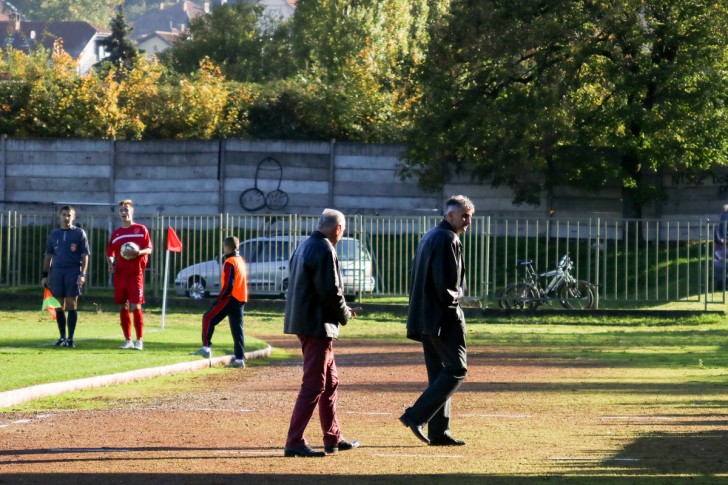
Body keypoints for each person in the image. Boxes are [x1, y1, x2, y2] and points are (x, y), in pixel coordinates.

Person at [283, 209, 361, 458]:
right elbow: (331, 291)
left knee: (330, 382)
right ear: (338, 228)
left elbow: (315, 289)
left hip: (307, 322)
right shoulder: (325, 248)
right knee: (315, 384)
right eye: (343, 230)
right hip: (316, 326)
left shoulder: (304, 245)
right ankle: (294, 441)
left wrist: (342, 309)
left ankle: (333, 437)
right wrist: (345, 314)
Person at [400, 195, 475, 446]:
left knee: (439, 375)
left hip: (425, 317)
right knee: (457, 370)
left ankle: (438, 432)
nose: (468, 221)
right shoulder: (447, 238)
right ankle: (416, 415)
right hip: (443, 317)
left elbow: (415, 276)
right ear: (450, 215)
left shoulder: (429, 236)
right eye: (464, 215)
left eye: (470, 216)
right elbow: (447, 286)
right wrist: (455, 311)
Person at [191, 236, 248, 367]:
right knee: (237, 329)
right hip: (241, 298)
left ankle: (206, 348)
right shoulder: (240, 260)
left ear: (227, 247)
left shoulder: (230, 262)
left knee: (208, 318)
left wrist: (218, 299)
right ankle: (239, 360)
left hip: (231, 298)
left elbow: (229, 285)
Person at [41, 205, 90, 348]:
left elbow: (85, 255)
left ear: (73, 217)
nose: (66, 218)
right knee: (58, 306)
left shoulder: (79, 233)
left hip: (73, 271)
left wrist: (83, 274)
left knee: (71, 304)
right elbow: (48, 256)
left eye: (69, 215)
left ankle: (71, 339)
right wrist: (44, 275)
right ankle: (62, 337)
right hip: (57, 272)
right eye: (64, 215)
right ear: (60, 216)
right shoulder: (54, 234)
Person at [106, 199, 153, 350]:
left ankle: (139, 340)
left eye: (126, 210)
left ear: (132, 211)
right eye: (121, 210)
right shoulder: (117, 233)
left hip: (135, 274)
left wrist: (138, 252)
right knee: (122, 306)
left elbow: (149, 249)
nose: (123, 212)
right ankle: (128, 340)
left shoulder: (140, 229)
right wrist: (111, 263)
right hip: (120, 275)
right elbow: (110, 252)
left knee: (136, 306)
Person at [714, 204, 728, 289]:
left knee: (720, 265)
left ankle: (720, 286)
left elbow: (718, 232)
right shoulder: (724, 215)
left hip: (722, 245)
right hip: (722, 245)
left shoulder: (723, 215)